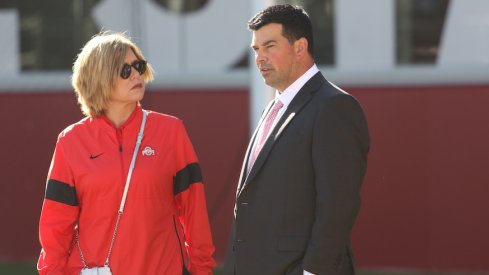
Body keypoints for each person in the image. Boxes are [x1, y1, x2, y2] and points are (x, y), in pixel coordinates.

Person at [37, 32, 216, 275]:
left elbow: (194, 211)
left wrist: (201, 270)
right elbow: (56, 226)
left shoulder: (171, 131)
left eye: (138, 66)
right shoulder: (70, 141)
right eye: (124, 70)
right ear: (98, 77)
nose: (135, 75)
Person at [223, 4, 370, 275]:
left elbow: (337, 206)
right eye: (256, 49)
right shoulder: (274, 108)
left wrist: (312, 271)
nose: (260, 58)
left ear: (300, 47)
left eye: (270, 46)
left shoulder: (334, 107)